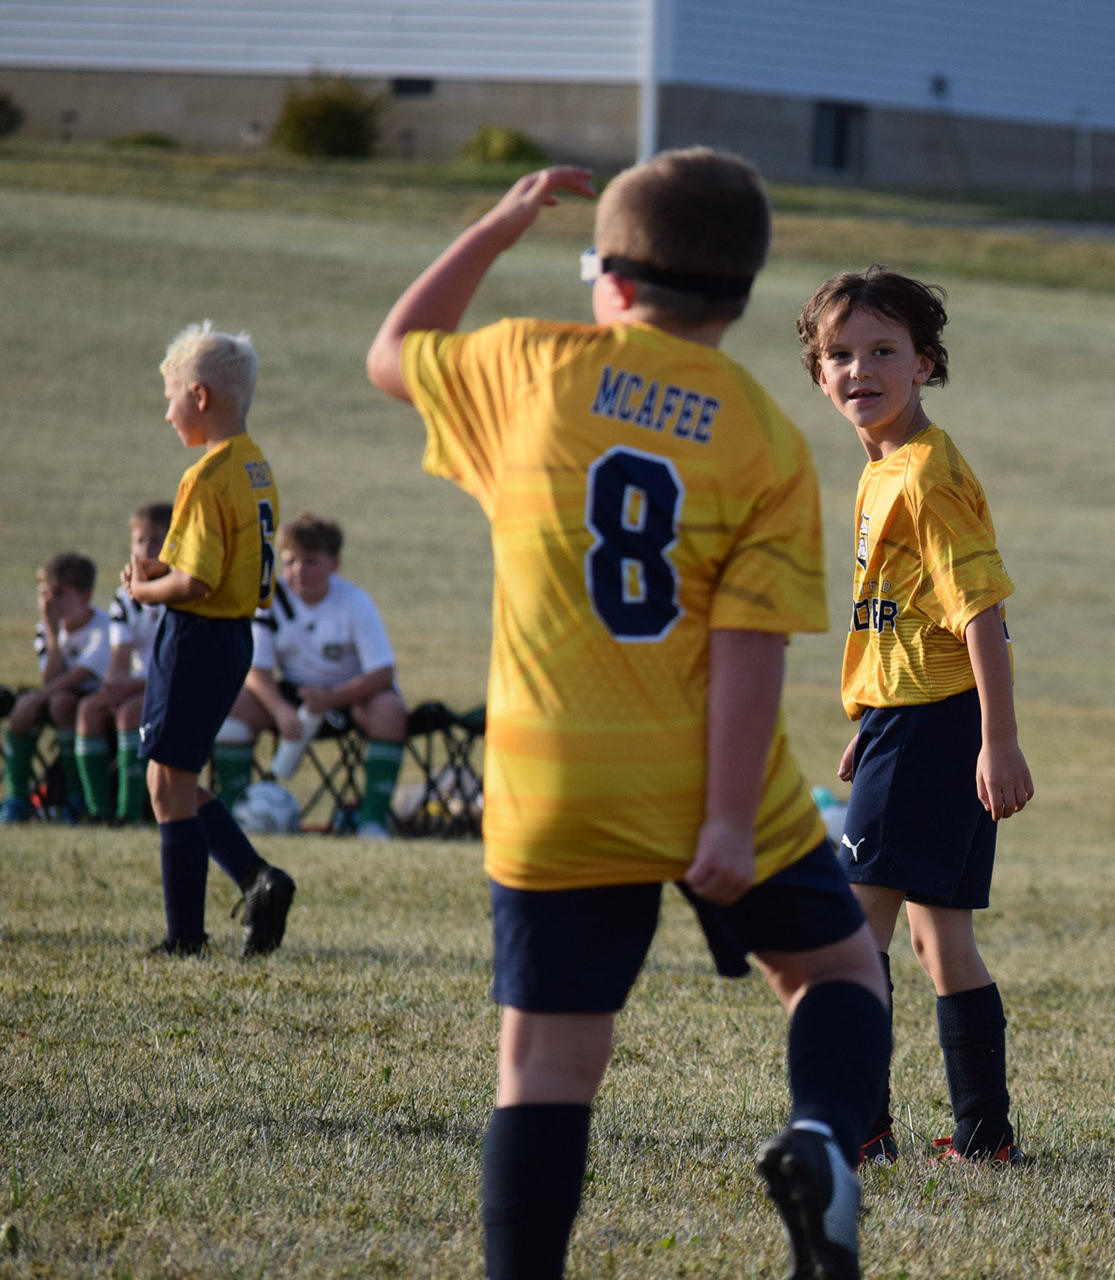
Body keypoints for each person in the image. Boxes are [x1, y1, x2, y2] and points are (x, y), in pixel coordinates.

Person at [365, 152, 890, 1280]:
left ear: (607, 277)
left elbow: (392, 350)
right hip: (714, 778)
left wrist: (498, 226)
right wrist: (728, 823)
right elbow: (750, 644)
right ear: (742, 294)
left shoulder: (528, 365)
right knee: (840, 974)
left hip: (554, 783)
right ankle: (818, 1137)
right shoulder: (763, 433)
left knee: (546, 1067)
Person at [798, 267, 1034, 1167]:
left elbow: (982, 615)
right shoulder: (885, 468)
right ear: (819, 375)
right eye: (841, 354)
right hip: (916, 722)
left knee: (851, 939)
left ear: (925, 363)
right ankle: (984, 1136)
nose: (861, 369)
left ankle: (859, 1132)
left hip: (935, 728)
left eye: (884, 351)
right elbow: (910, 617)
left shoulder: (925, 477)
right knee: (942, 941)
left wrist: (998, 741)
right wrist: (872, 716)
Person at [128, 321, 297, 957]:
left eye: (170, 397)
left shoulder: (205, 476)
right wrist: (163, 572)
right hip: (234, 638)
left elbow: (196, 581)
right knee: (168, 780)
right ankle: (257, 881)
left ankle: (187, 935)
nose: (167, 412)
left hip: (196, 637)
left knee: (168, 783)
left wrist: (144, 589)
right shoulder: (255, 466)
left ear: (198, 396)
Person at [224, 513, 408, 838]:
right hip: (293, 695)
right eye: (290, 561)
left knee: (390, 710)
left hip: (349, 695)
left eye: (310, 561)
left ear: (334, 563)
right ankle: (233, 816)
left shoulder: (355, 602)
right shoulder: (269, 599)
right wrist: (281, 710)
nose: (299, 570)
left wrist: (332, 699)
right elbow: (256, 670)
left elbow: (382, 673)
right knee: (233, 706)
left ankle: (372, 822)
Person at [74, 504, 173, 824]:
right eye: (140, 540)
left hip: (175, 686)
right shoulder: (125, 597)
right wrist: (111, 691)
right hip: (139, 686)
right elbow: (119, 661)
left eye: (156, 540)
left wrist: (127, 688)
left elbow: (175, 665)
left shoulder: (180, 591)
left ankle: (129, 812)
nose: (147, 549)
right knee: (89, 709)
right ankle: (97, 811)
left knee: (131, 712)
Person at [2, 553, 111, 823]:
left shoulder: (103, 627)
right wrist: (52, 635)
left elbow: (79, 676)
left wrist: (39, 695)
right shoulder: (47, 628)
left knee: (61, 703)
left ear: (86, 596)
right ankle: (17, 798)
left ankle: (75, 794)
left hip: (96, 699)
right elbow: (50, 680)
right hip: (57, 695)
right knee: (24, 711)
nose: (49, 601)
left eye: (59, 593)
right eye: (44, 593)